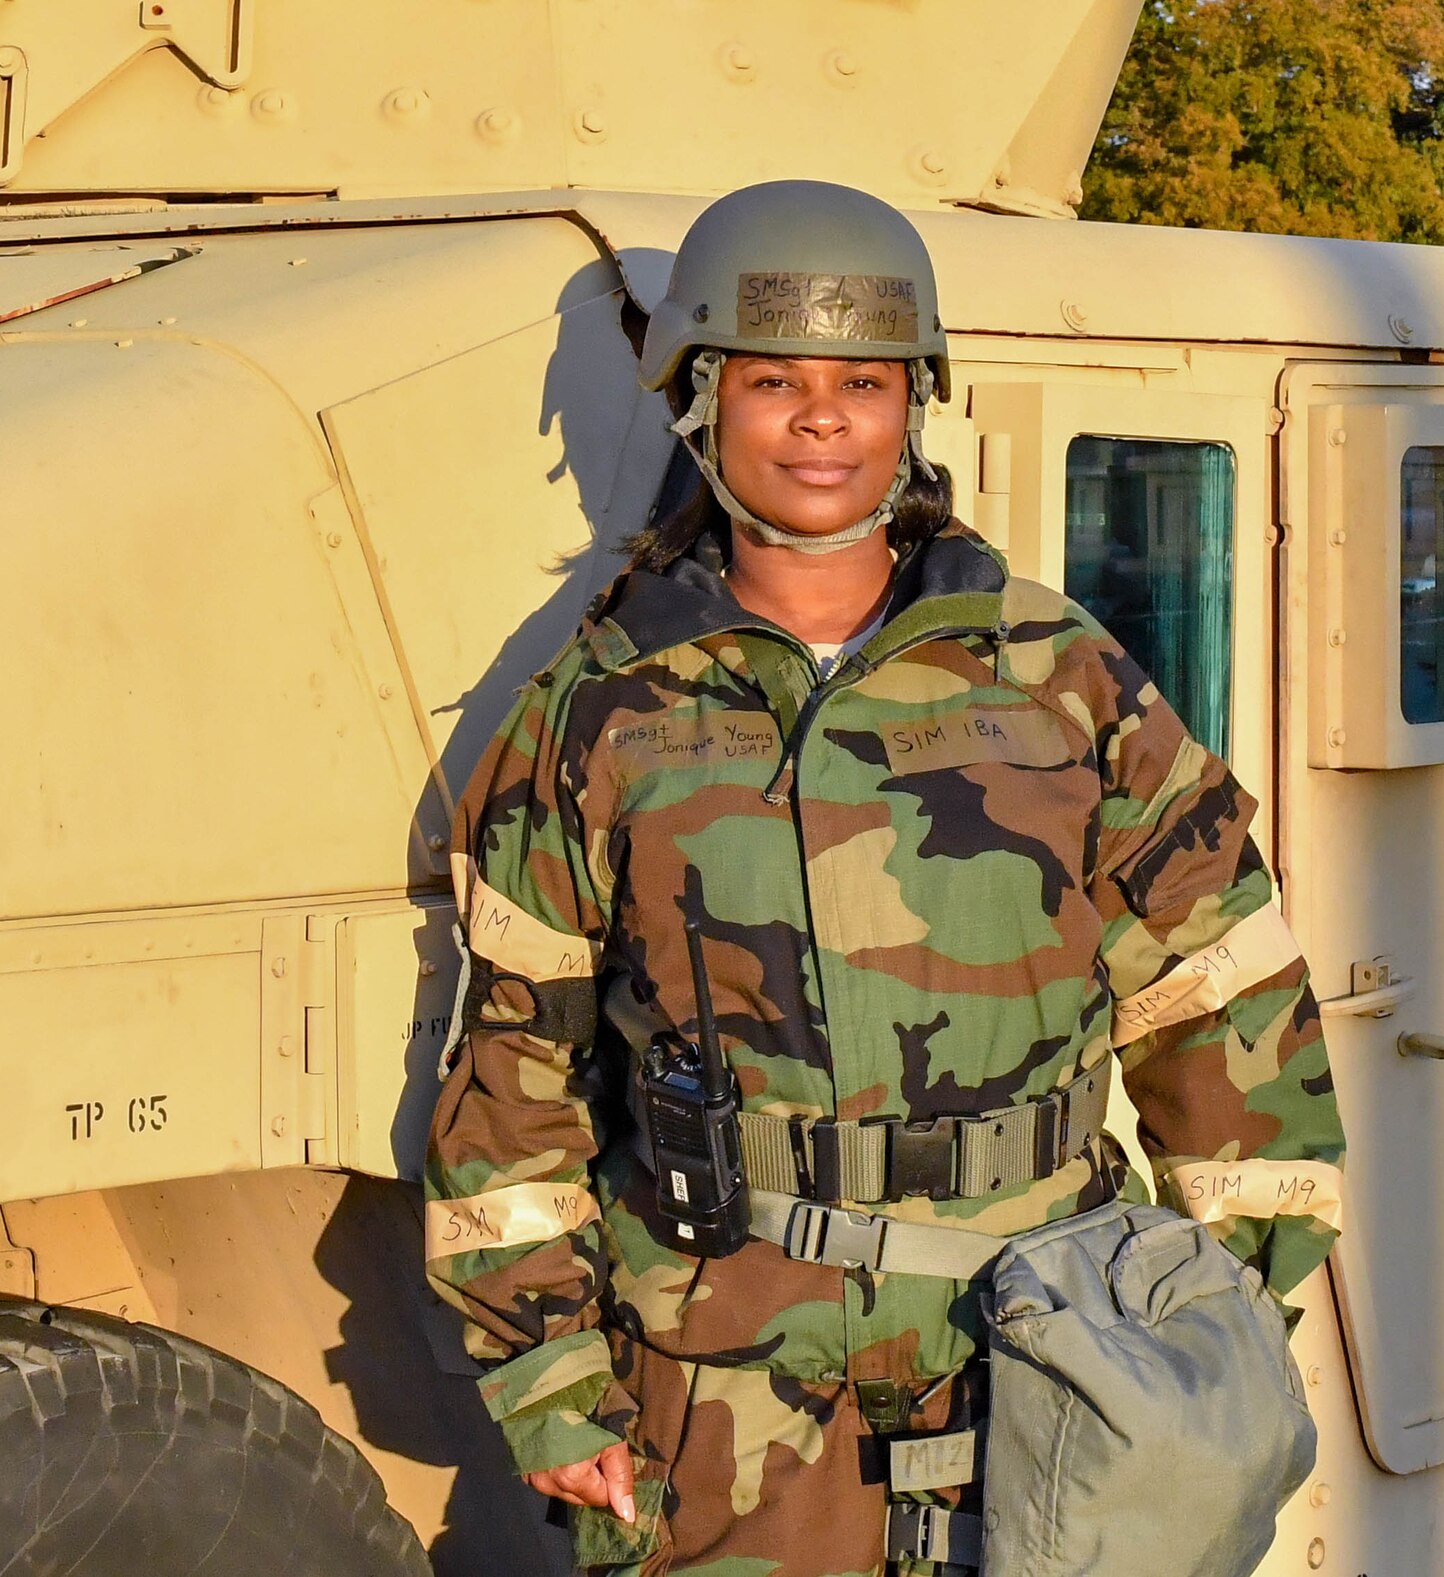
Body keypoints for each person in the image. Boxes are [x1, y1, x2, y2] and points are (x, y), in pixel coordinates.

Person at [425, 179, 1346, 1577]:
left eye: (862, 379)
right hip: (725, 1391)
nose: (820, 418)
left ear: (910, 404)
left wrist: (1215, 1329)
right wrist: (541, 1370)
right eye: (774, 380)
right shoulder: (604, 709)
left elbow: (1223, 999)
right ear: (699, 401)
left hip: (1042, 1353)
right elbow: (514, 1064)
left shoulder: (1056, 676)